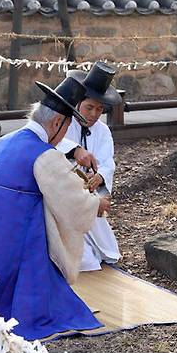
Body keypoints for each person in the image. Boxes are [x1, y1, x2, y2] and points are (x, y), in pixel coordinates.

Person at [0, 77, 110, 340]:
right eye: (67, 126)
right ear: (57, 123)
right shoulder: (44, 155)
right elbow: (72, 202)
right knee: (38, 300)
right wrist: (97, 203)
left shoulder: (3, 141)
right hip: (19, 235)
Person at [58, 62, 122, 272]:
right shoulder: (64, 124)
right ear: (78, 104)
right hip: (67, 198)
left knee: (106, 251)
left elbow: (107, 161)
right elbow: (54, 148)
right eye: (89, 107)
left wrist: (101, 177)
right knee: (85, 262)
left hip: (90, 194)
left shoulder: (103, 132)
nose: (94, 114)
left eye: (99, 109)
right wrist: (76, 150)